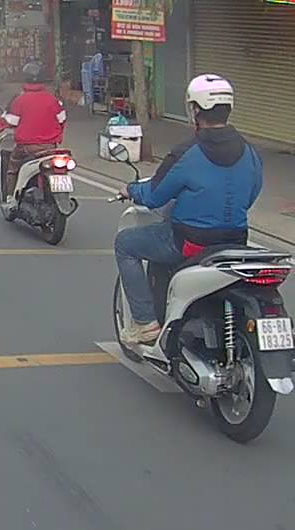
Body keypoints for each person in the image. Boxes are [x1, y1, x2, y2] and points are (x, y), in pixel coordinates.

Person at [114, 74, 264, 346]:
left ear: (195, 109)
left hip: (189, 243)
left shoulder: (186, 152)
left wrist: (131, 189)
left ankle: (145, 324)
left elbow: (155, 196)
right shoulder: (250, 151)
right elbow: (252, 192)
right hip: (235, 241)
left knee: (125, 244)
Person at [0, 61, 67, 210]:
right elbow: (62, 119)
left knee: (12, 167)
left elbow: (11, 121)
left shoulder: (20, 100)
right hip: (50, 148)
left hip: (27, 147)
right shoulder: (52, 99)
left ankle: (10, 199)